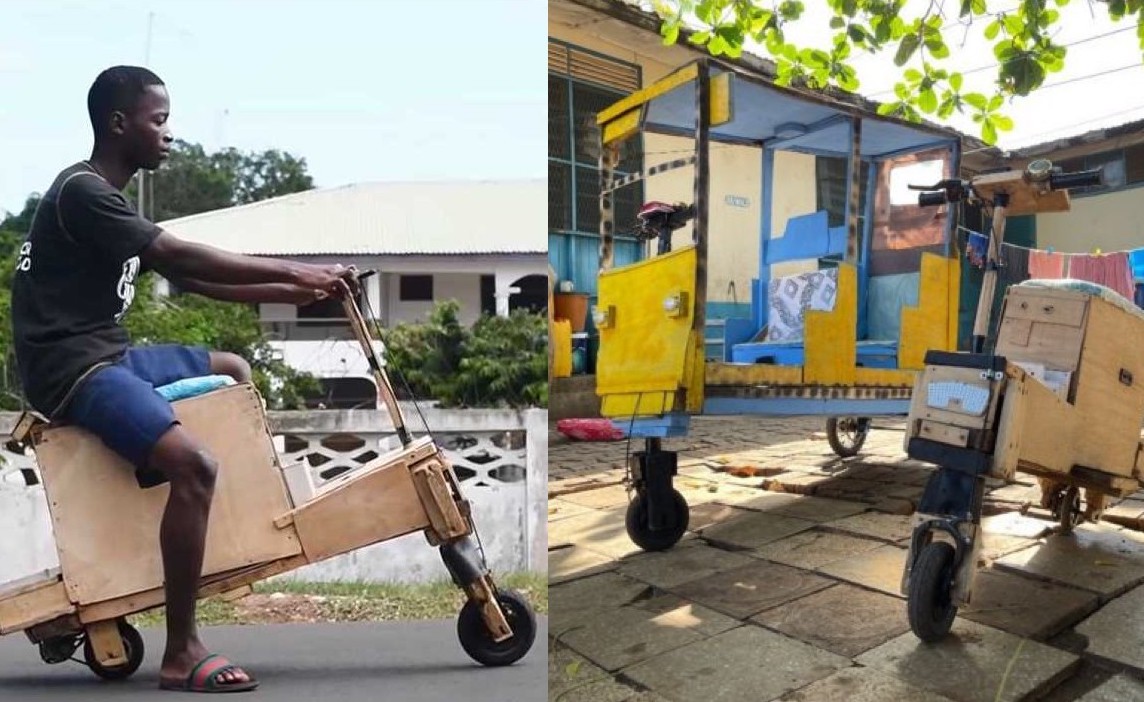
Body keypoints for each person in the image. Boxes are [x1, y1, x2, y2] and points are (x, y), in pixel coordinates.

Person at [10, 65, 354, 693]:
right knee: (195, 465)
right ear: (120, 124)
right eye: (159, 121)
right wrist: (302, 272)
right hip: (72, 370)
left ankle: (175, 491)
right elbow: (176, 256)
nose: (170, 135)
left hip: (109, 354)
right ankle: (182, 650)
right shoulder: (83, 193)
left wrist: (295, 291)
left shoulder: (108, 199)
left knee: (234, 371)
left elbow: (193, 280)